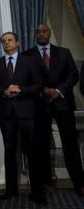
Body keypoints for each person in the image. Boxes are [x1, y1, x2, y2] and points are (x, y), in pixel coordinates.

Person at [23, 24, 84, 195]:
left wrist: (58, 91)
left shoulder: (64, 52)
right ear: (34, 34)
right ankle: (45, 181)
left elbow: (73, 75)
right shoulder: (26, 55)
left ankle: (79, 183)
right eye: (38, 31)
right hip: (39, 104)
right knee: (40, 145)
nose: (41, 33)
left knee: (70, 143)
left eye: (45, 31)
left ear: (49, 33)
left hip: (63, 103)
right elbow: (25, 79)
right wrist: (43, 90)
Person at [0, 32, 46, 205]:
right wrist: (4, 91)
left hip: (27, 113)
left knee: (33, 153)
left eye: (10, 40)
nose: (6, 43)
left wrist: (20, 89)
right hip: (7, 114)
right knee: (9, 152)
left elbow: (38, 84)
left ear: (18, 43)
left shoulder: (30, 61)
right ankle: (11, 190)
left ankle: (37, 192)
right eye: (4, 41)